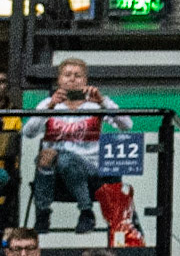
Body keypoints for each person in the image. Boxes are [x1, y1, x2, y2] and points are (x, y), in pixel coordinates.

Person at [23, 58, 130, 234]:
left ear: (85, 81)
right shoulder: (48, 104)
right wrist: (50, 107)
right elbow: (28, 132)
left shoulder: (95, 105)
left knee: (64, 158)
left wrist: (102, 102)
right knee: (48, 156)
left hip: (91, 169)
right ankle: (43, 214)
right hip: (55, 171)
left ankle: (86, 211)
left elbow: (126, 124)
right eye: (67, 75)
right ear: (59, 80)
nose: (72, 79)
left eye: (77, 75)